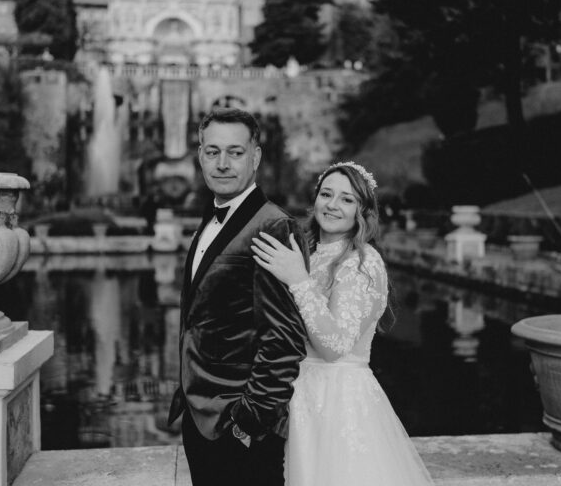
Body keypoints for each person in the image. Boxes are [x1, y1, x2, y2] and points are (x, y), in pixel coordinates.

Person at [250, 162, 435, 486]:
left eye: (347, 199)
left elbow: (334, 346)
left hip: (337, 404)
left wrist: (298, 280)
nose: (333, 205)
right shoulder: (307, 252)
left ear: (362, 210)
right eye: (326, 194)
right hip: (295, 401)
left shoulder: (362, 262)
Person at [167, 108, 308, 486]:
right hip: (199, 415)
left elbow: (285, 337)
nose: (223, 163)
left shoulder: (272, 224)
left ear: (255, 157)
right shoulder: (213, 217)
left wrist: (249, 420)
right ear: (200, 156)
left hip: (239, 426)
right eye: (212, 152)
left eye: (235, 152)